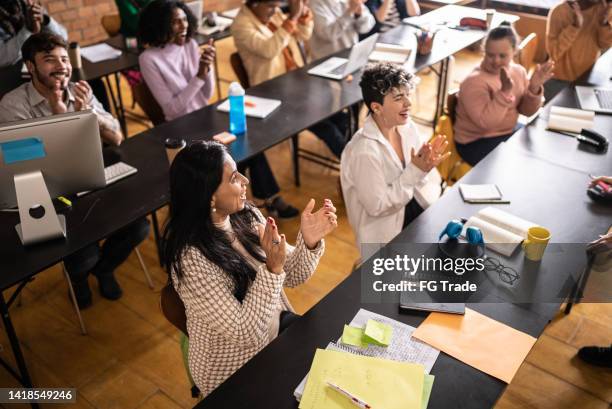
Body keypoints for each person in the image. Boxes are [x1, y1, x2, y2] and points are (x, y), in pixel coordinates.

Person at [162, 141, 337, 397]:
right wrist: (272, 268)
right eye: (234, 178)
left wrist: (308, 241)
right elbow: (245, 332)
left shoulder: (247, 215)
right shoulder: (191, 260)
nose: (245, 180)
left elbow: (295, 274)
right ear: (209, 195)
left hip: (272, 330)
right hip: (234, 369)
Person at [0, 32, 149, 308]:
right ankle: (80, 278)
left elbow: (116, 137)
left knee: (139, 227)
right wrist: (64, 118)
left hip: (90, 178)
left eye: (64, 59)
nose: (61, 66)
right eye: (49, 59)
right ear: (30, 67)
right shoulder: (12, 105)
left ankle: (104, 269)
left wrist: (86, 115)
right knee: (84, 255)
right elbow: (27, 166)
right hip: (48, 191)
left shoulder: (80, 92)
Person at [138, 0, 299, 218]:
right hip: (180, 129)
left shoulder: (190, 46)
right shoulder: (148, 59)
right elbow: (173, 110)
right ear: (159, 25)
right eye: (174, 22)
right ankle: (235, 209)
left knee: (246, 145)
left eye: (184, 18)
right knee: (221, 160)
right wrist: (200, 76)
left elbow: (205, 95)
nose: (182, 25)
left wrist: (208, 70)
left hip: (203, 118)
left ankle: (266, 199)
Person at [340, 62, 449, 259]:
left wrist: (426, 167)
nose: (408, 103)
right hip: (388, 232)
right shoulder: (364, 151)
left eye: (408, 94)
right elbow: (378, 206)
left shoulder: (406, 127)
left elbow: (419, 179)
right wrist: (416, 170)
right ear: (377, 107)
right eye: (399, 98)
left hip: (417, 207)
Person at [231, 0, 349, 158]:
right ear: (254, 4)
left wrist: (302, 14)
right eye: (271, 7)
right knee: (328, 127)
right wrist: (292, 18)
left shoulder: (274, 12)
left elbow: (303, 35)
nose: (275, 12)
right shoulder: (240, 25)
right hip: (274, 91)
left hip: (298, 82)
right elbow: (269, 49)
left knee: (341, 116)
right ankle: (355, 169)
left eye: (277, 7)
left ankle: (352, 166)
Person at [453, 23, 554, 166]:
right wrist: (504, 92)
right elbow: (486, 124)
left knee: (542, 152)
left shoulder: (518, 71)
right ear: (484, 51)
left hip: (506, 132)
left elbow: (526, 111)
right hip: (475, 142)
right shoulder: (474, 82)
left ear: (515, 51)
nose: (496, 61)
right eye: (490, 55)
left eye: (502, 55)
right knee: (523, 165)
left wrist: (534, 87)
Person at [546, 0, 612, 82]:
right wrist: (575, 27)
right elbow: (554, 54)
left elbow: (605, 45)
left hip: (589, 77)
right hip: (559, 79)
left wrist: (603, 23)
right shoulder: (559, 11)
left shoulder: (603, 10)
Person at [0, 0, 67, 67]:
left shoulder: (27, 4)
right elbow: (2, 58)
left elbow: (63, 39)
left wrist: (45, 21)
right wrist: (28, 30)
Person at [309, 0, 375, 60]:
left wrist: (358, 15)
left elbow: (368, 25)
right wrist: (350, 12)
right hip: (327, 62)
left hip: (351, 57)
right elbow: (328, 34)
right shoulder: (315, 3)